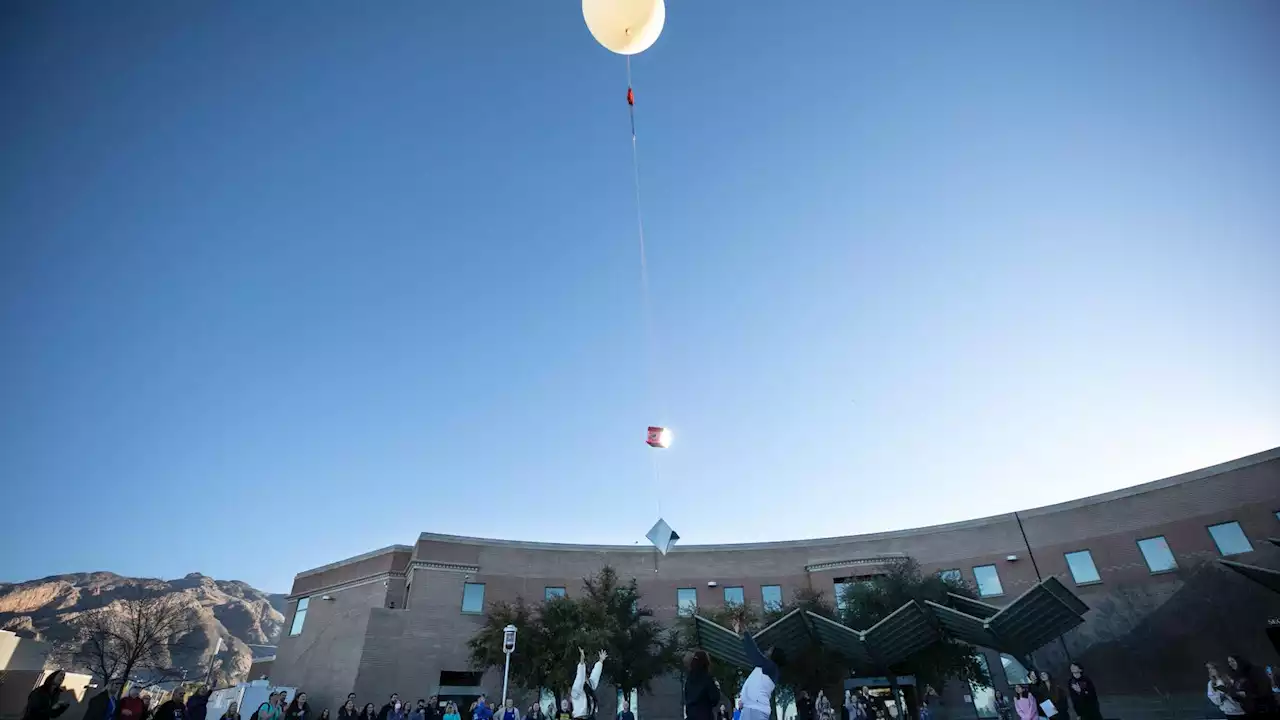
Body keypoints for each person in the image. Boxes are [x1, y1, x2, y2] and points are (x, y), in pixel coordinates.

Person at [733, 618, 784, 720]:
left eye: (769, 651)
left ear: (774, 656)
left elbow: (754, 653)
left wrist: (745, 633)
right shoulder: (765, 669)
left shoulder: (770, 667)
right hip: (751, 708)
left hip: (755, 709)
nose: (766, 651)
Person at [684, 650, 720, 720]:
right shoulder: (707, 678)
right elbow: (715, 698)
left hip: (691, 716)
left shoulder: (689, 679)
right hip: (704, 715)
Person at [571, 649, 606, 720]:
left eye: (587, 677)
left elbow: (595, 676)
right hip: (580, 718)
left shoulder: (589, 687)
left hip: (590, 717)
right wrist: (582, 660)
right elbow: (580, 676)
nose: (587, 680)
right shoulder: (577, 689)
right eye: (585, 678)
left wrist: (601, 661)